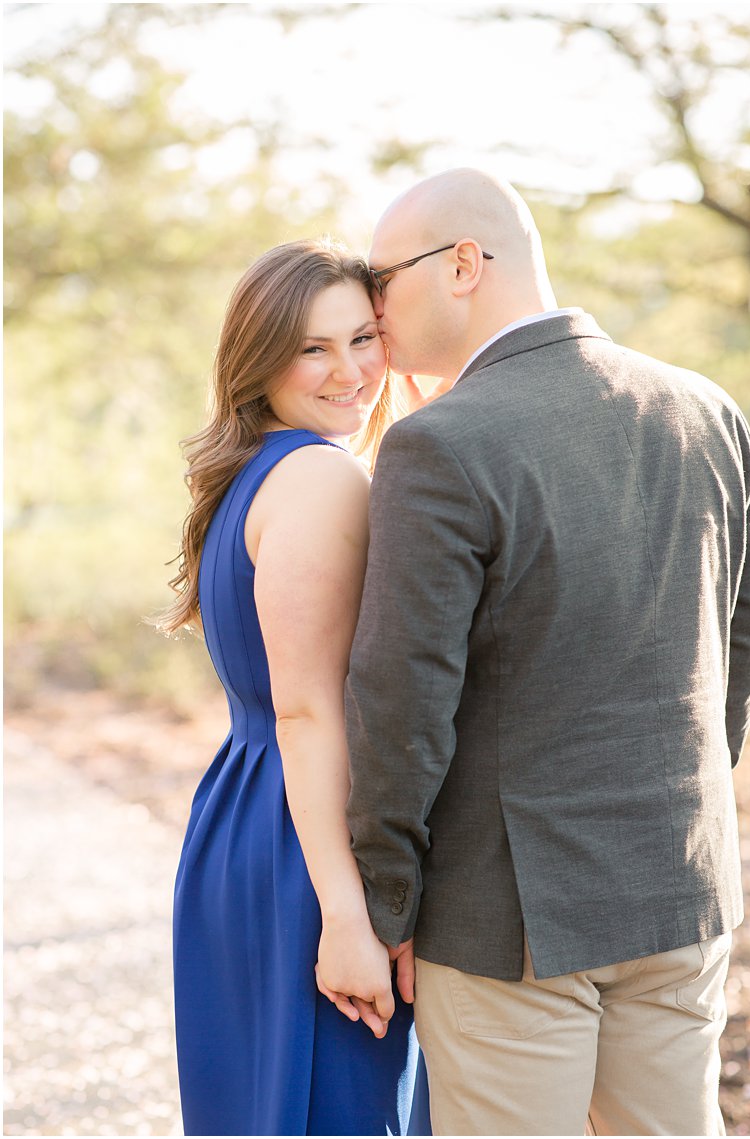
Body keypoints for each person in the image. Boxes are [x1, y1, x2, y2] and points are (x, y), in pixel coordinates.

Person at [340, 168, 750, 1135]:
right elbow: (732, 663)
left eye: (380, 278)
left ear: (462, 264)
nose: (372, 307)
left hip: (507, 920)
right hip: (681, 888)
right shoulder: (710, 412)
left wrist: (388, 907)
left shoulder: (438, 444)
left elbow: (401, 707)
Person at [161, 239, 429, 1134]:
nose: (351, 371)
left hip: (249, 821)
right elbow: (310, 710)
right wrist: (350, 917)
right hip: (308, 850)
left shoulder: (257, 473)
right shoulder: (319, 477)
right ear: (259, 357)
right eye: (314, 347)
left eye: (365, 338)